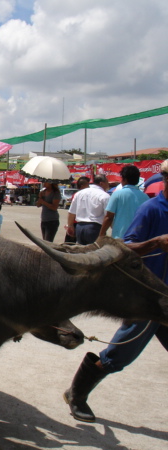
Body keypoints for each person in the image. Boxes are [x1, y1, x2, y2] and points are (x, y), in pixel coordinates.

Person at [63, 160, 168, 423]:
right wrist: (156, 242)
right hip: (148, 298)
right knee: (119, 356)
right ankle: (77, 394)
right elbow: (125, 248)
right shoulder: (151, 209)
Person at [99, 166, 149, 239]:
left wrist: (101, 235)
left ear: (124, 179)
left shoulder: (117, 194)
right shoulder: (145, 197)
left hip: (120, 239)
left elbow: (109, 217)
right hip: (139, 238)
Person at [66, 175, 110, 245]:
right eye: (107, 183)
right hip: (94, 228)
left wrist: (70, 226)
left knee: (81, 253)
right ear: (101, 183)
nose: (108, 185)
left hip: (80, 228)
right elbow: (108, 216)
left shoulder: (79, 193)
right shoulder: (104, 196)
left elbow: (71, 212)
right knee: (95, 253)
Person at [64, 177, 90, 243]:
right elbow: (72, 211)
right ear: (82, 186)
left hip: (82, 223)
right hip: (76, 223)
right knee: (70, 244)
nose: (89, 186)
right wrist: (70, 225)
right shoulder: (77, 195)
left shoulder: (87, 194)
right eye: (88, 184)